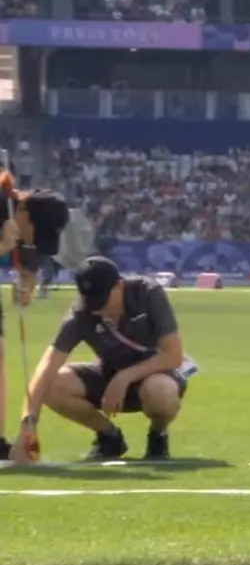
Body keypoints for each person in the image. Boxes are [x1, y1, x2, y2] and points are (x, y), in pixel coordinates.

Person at [8, 256, 196, 464]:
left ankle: (157, 436)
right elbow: (46, 368)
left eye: (102, 300)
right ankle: (109, 437)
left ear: (118, 285)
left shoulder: (148, 294)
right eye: (90, 301)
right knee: (53, 385)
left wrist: (124, 377)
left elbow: (173, 356)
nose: (96, 308)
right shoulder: (82, 313)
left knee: (160, 393)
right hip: (108, 377)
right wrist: (28, 424)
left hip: (156, 375)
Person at [0, 175, 71, 462]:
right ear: (23, 212)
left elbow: (27, 271)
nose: (35, 239)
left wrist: (25, 288)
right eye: (36, 232)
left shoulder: (27, 225)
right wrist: (3, 245)